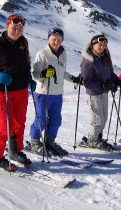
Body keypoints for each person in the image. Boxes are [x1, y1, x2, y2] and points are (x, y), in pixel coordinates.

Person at [0, 14, 36, 171]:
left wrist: (29, 78)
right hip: (2, 90)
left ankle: (15, 150)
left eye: (20, 29)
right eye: (14, 28)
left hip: (21, 90)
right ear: (7, 26)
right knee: (7, 126)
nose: (17, 31)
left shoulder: (23, 44)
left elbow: (26, 65)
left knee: (19, 123)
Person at [29, 27, 83, 157]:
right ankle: (35, 140)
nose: (56, 42)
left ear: (62, 40)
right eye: (53, 39)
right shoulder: (42, 54)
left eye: (59, 39)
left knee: (56, 120)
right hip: (43, 92)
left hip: (57, 94)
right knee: (41, 119)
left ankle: (49, 142)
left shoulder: (63, 54)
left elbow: (62, 73)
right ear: (48, 39)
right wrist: (43, 73)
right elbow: (34, 74)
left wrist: (74, 79)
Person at [79, 34, 121, 150]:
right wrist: (103, 85)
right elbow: (86, 82)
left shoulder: (103, 58)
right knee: (97, 119)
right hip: (94, 94)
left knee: (103, 118)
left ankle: (97, 137)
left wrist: (117, 81)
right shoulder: (88, 61)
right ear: (93, 45)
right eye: (99, 45)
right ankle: (91, 140)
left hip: (104, 93)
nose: (102, 47)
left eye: (104, 45)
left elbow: (109, 73)